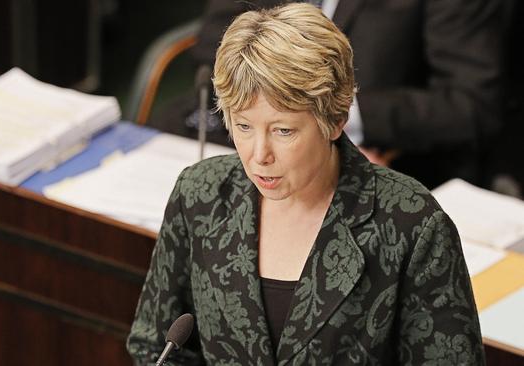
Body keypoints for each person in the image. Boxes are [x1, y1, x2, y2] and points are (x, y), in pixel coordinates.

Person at [127, 4, 483, 365]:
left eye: (283, 130)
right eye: (244, 126)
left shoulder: (413, 226)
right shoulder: (199, 194)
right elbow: (154, 345)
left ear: (335, 119)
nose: (259, 155)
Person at [148, 0, 503, 189]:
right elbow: (213, 46)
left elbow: (471, 102)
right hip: (245, 135)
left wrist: (336, 120)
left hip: (384, 159)